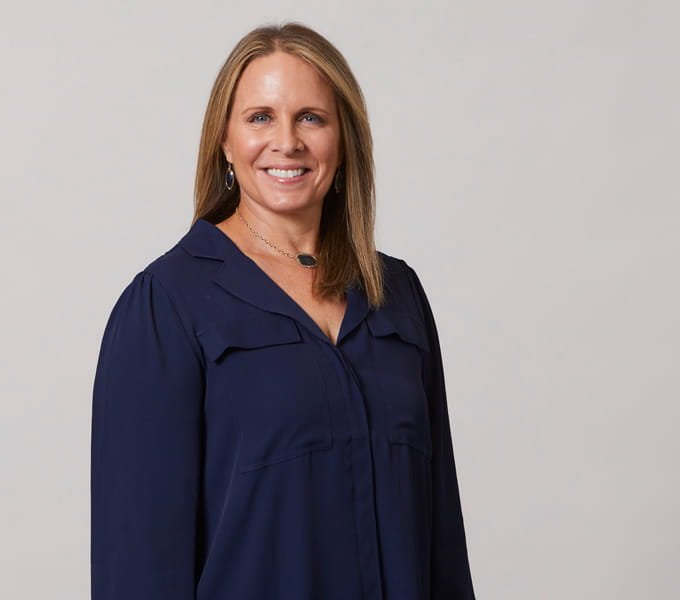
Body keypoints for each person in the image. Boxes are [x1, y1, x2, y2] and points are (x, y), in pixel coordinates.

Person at [91, 21, 476, 600]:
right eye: (260, 117)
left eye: (311, 118)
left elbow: (441, 537)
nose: (287, 142)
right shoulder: (166, 307)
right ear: (224, 139)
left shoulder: (397, 295)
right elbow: (138, 567)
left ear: (344, 140)